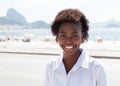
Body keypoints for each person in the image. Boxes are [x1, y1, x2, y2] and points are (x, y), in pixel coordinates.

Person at [44, 8, 107, 86]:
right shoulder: (50, 67)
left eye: (74, 35)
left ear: (82, 37)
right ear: (57, 37)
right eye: (63, 35)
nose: (68, 41)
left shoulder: (97, 69)